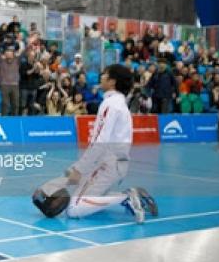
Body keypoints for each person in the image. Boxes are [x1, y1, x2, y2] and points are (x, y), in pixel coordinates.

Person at [37, 65, 158, 223]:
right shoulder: (118, 103)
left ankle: (126, 197)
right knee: (87, 198)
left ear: (112, 81)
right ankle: (131, 195)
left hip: (107, 166)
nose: (101, 76)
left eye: (105, 74)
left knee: (74, 209)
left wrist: (79, 170)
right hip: (115, 165)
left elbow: (100, 142)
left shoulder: (110, 104)